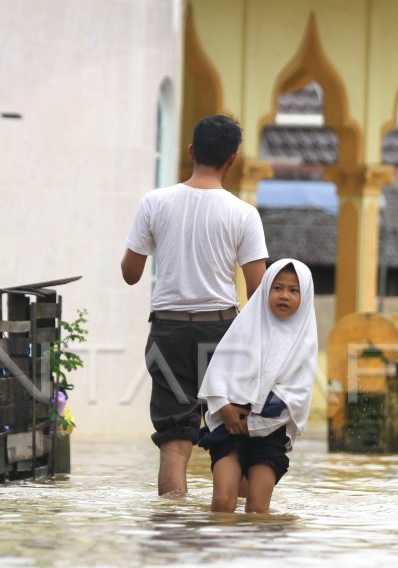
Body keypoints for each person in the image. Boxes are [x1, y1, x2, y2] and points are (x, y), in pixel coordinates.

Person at [122, 115, 269, 495]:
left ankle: (172, 528)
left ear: (191, 151)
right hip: (222, 331)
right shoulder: (243, 214)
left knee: (174, 440)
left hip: (167, 331)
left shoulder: (153, 202)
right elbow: (257, 290)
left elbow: (130, 273)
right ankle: (229, 530)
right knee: (231, 432)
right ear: (232, 159)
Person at [197, 259, 318, 514]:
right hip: (229, 425)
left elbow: (295, 397)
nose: (284, 295)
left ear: (305, 296)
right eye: (277, 288)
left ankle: (255, 554)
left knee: (257, 510)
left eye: (293, 290)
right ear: (265, 290)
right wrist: (225, 408)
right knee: (222, 503)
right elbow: (218, 372)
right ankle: (220, 553)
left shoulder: (304, 345)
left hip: (270, 432)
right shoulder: (244, 328)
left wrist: (253, 423)